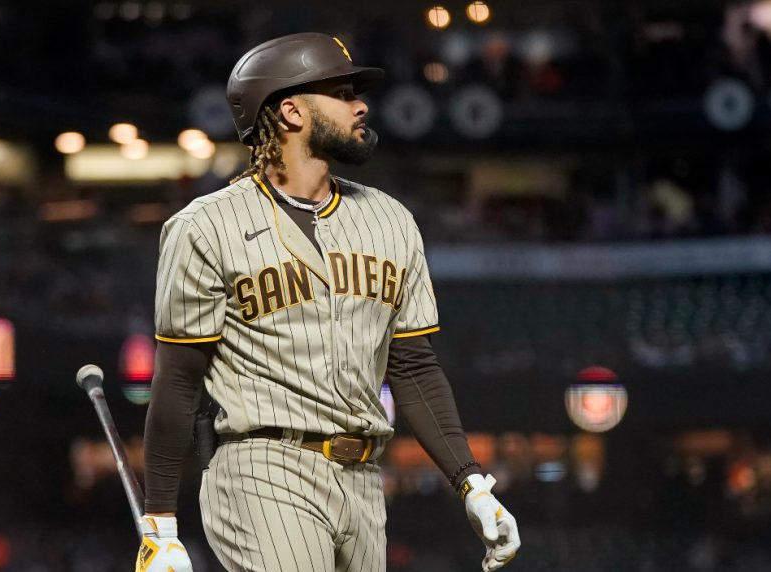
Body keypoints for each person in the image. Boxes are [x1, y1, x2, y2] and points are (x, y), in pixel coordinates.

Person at [137, 32, 521, 572]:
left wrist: (471, 483)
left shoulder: (390, 220)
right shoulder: (206, 226)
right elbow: (178, 379)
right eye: (341, 93)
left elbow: (412, 367)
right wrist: (160, 523)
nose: (360, 104)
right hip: (262, 466)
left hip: (364, 479)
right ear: (291, 111)